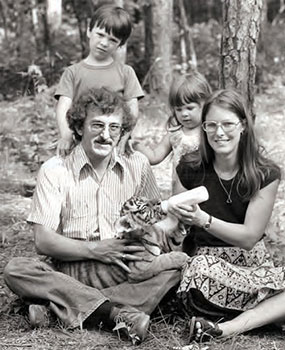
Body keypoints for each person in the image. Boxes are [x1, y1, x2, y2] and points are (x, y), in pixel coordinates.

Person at [3, 88, 180, 345]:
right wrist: (96, 250)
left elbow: (155, 219)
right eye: (97, 125)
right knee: (17, 269)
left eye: (114, 128)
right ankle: (112, 314)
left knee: (173, 271)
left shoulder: (138, 164)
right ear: (78, 127)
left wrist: (167, 225)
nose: (106, 135)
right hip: (71, 266)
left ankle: (57, 306)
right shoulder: (55, 170)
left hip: (125, 267)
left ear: (122, 131)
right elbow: (43, 241)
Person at [167, 89, 285, 342]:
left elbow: (249, 237)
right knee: (197, 272)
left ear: (243, 125)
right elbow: (174, 229)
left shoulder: (264, 173)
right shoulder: (189, 168)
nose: (219, 132)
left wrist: (204, 220)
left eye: (227, 124)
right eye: (211, 125)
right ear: (203, 128)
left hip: (255, 269)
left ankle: (225, 328)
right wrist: (175, 228)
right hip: (208, 270)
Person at [54, 4, 144, 156]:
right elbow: (63, 108)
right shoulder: (72, 72)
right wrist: (66, 135)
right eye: (100, 35)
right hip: (80, 142)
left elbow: (132, 109)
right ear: (89, 31)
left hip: (114, 143)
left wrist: (126, 135)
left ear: (120, 44)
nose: (104, 43)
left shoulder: (126, 72)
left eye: (112, 40)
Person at [134, 72, 212, 192]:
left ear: (205, 104)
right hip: (180, 190)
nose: (184, 114)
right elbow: (155, 157)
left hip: (206, 188)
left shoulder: (209, 132)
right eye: (179, 109)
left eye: (190, 108)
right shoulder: (174, 134)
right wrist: (136, 144)